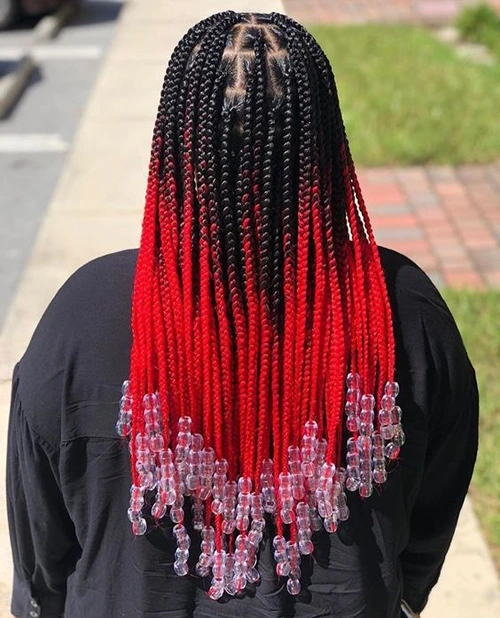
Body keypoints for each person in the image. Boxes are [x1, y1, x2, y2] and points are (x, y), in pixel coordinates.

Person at [6, 11, 478, 618]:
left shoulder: (79, 317)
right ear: (327, 145)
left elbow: (42, 557)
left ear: (176, 144)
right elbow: (428, 527)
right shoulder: (405, 314)